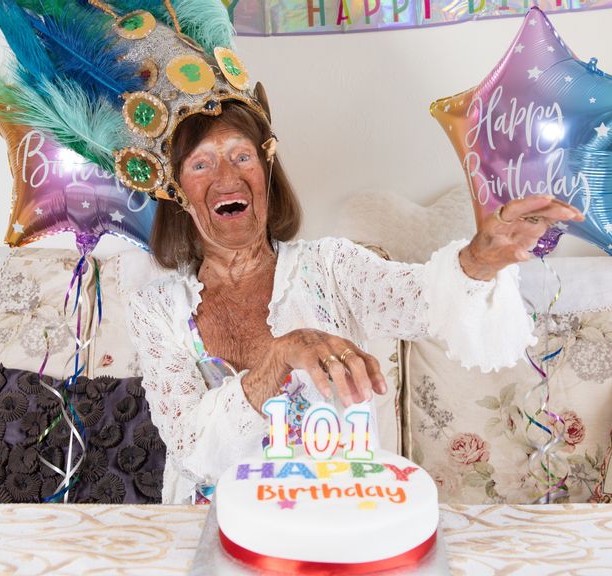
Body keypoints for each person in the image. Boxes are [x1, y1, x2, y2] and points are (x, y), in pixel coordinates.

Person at [127, 100, 584, 504]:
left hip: (335, 522)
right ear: (178, 194)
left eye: (241, 156)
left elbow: (422, 299)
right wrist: (284, 352)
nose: (227, 177)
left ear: (266, 176)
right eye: (202, 164)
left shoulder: (331, 267)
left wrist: (478, 261)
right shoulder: (157, 309)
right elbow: (195, 450)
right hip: (216, 532)